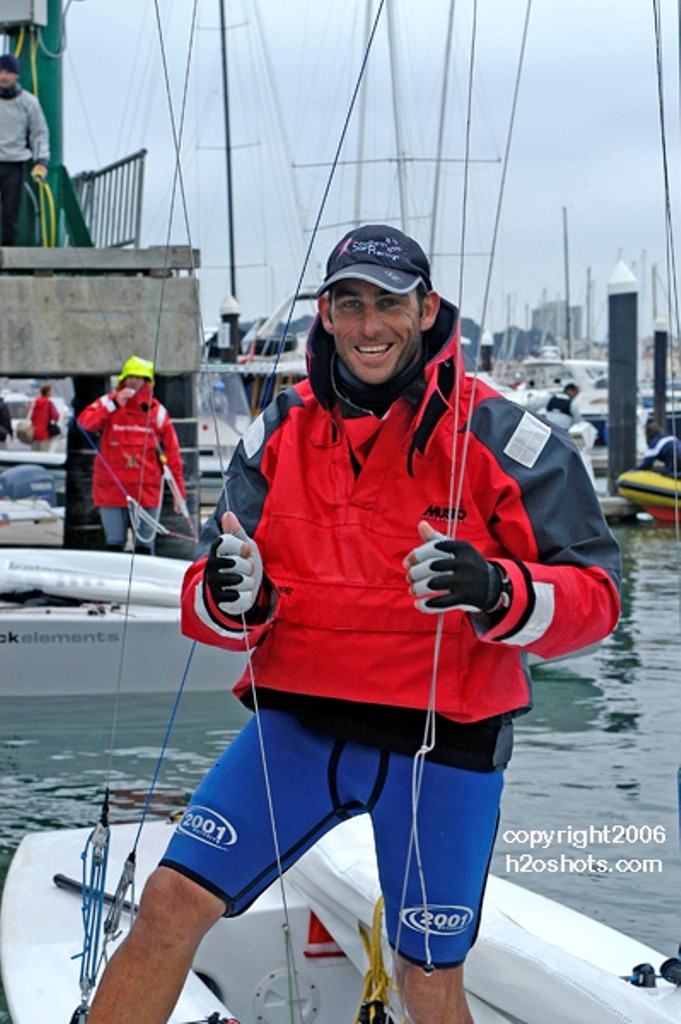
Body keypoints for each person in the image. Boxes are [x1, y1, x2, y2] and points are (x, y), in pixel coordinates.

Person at [86, 225, 621, 1024]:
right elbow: (206, 592)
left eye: (388, 302)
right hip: (298, 726)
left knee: (428, 979)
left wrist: (496, 589)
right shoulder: (278, 432)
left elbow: (599, 596)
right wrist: (238, 595)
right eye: (350, 303)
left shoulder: (506, 435)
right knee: (167, 904)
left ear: (426, 307)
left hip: (443, 744)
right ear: (326, 317)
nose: (370, 324)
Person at [77, 355, 187, 554]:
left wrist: (179, 493)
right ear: (123, 379)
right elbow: (85, 424)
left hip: (146, 491)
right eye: (131, 377)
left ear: (147, 382)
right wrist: (114, 404)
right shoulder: (108, 403)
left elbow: (173, 456)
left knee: (145, 546)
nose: (135, 382)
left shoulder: (158, 412)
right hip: (111, 490)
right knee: (114, 542)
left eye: (140, 377)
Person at [0, 52, 49, 246]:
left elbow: (39, 132)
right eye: (1, 71)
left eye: (9, 72)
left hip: (14, 165)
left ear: (17, 75)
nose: (4, 76)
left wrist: (41, 161)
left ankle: (7, 263)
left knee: (10, 217)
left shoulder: (28, 102)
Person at [29, 380, 60, 451]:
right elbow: (56, 417)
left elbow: (30, 416)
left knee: (35, 456)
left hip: (34, 434)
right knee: (44, 456)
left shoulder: (34, 402)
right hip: (44, 434)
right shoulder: (48, 403)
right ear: (48, 392)